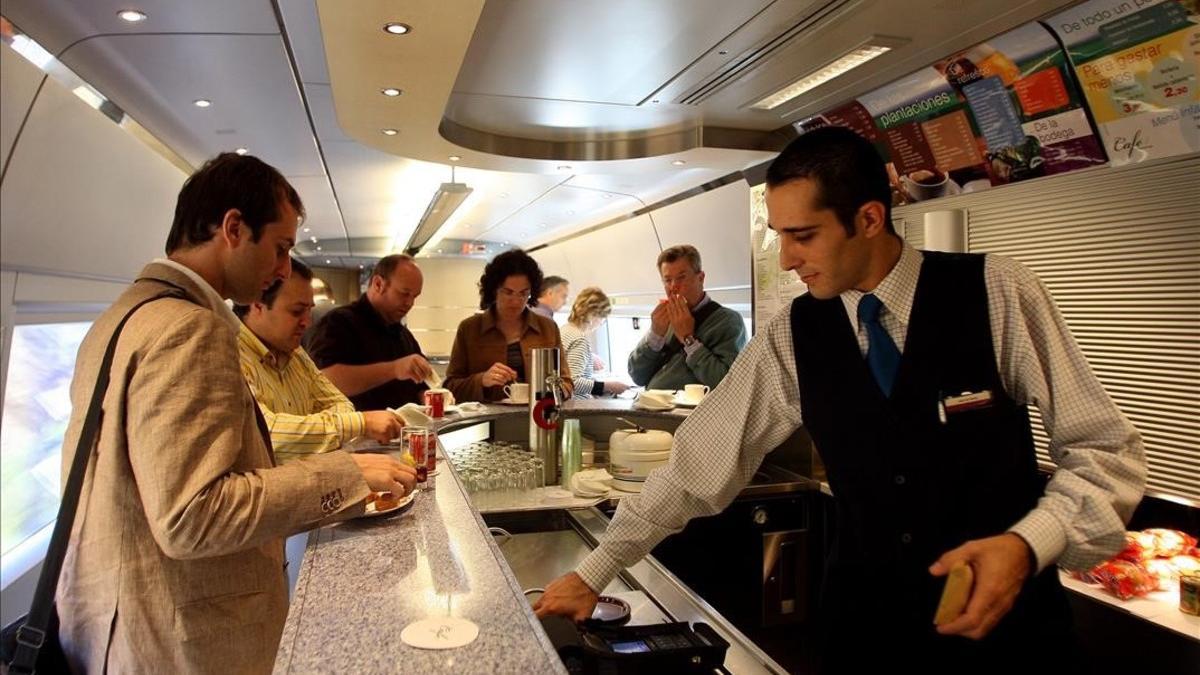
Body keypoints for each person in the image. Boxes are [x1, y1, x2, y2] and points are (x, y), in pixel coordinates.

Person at [534, 127, 1145, 672]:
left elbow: (1104, 454)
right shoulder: (794, 332)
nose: (787, 257)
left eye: (803, 235)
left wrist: (1027, 543)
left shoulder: (997, 293)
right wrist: (596, 571)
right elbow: (697, 465)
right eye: (778, 236)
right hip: (867, 632)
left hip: (1010, 635)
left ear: (871, 219)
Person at [55, 153, 417, 674]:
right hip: (180, 640)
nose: (283, 270)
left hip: (116, 622)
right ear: (232, 228)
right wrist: (345, 472)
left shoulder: (118, 319)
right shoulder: (190, 329)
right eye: (280, 248)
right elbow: (192, 516)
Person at [234, 258, 404, 460]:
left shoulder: (296, 354)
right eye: (297, 311)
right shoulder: (231, 354)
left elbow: (341, 404)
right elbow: (265, 434)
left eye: (309, 310)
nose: (307, 322)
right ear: (257, 305)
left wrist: (306, 430)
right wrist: (360, 423)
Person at [306, 254, 434, 411]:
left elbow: (420, 386)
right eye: (404, 293)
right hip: (358, 433)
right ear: (378, 284)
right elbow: (324, 380)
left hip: (404, 431)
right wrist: (394, 369)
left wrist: (428, 397)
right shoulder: (339, 322)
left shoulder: (403, 335)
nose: (410, 303)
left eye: (415, 296)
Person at [444, 249, 573, 402]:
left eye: (524, 293)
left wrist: (552, 392)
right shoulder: (469, 329)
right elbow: (450, 387)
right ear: (494, 290)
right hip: (485, 422)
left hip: (538, 418)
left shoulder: (548, 328)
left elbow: (567, 383)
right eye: (508, 292)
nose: (516, 301)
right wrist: (482, 380)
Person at [626, 245, 747, 391]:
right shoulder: (665, 320)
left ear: (700, 278)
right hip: (652, 407)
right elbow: (637, 376)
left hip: (693, 412)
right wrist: (655, 335)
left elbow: (727, 385)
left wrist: (688, 339)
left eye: (681, 278)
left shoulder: (728, 321)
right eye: (668, 280)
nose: (673, 287)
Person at [560, 287, 628, 399]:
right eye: (603, 318)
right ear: (593, 315)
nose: (602, 323)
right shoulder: (579, 339)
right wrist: (608, 386)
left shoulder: (565, 329)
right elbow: (573, 382)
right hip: (577, 406)